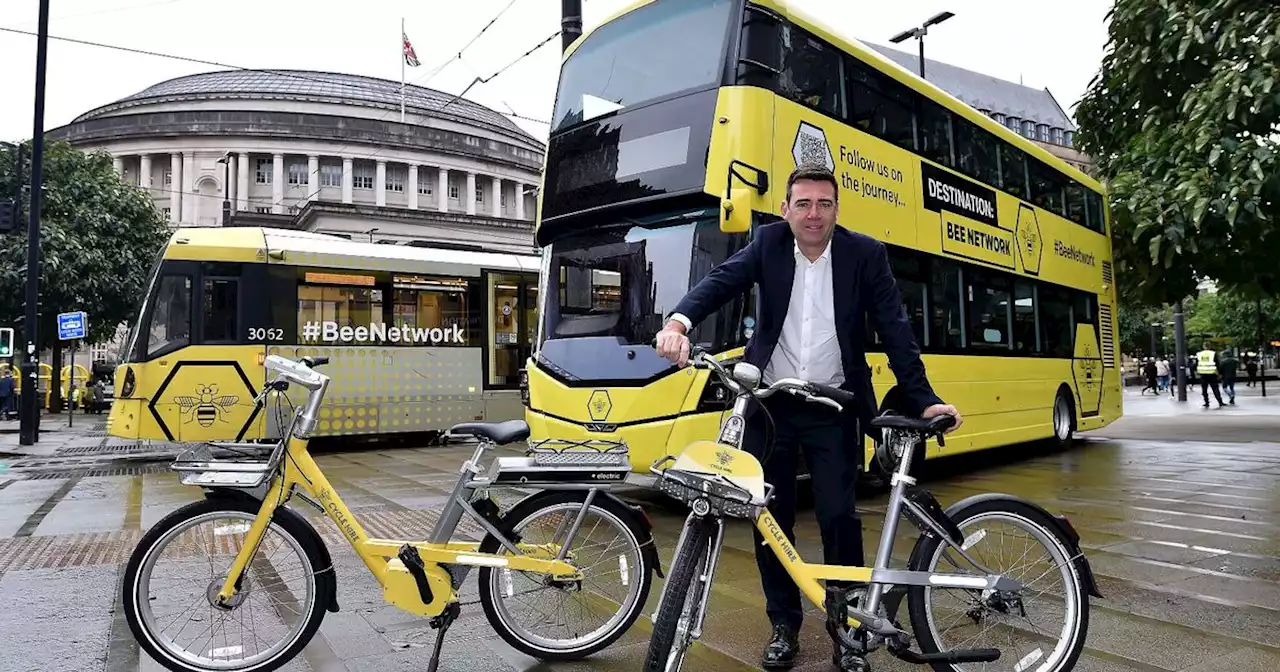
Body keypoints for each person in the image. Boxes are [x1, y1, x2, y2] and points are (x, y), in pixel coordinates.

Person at [654, 163, 961, 672]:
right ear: (786, 209)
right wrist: (679, 322)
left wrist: (924, 399)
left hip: (835, 404)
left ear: (837, 210)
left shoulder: (865, 255)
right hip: (770, 405)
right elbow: (720, 281)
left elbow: (896, 330)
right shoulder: (769, 244)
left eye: (824, 204)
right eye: (803, 203)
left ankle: (848, 629)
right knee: (767, 518)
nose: (813, 214)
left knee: (839, 516)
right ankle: (783, 625)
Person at [1195, 342, 1225, 408]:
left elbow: (1197, 364)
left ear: (1203, 346)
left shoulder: (1199, 354)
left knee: (1204, 389)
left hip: (1202, 374)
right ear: (1209, 346)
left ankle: (1206, 402)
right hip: (1212, 373)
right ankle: (1220, 402)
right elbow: (1217, 364)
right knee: (1215, 389)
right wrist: (1220, 373)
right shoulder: (1213, 354)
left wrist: (1197, 371)